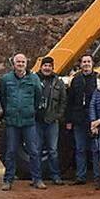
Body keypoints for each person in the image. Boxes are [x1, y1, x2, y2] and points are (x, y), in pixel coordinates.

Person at [0, 53, 44, 191]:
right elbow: (2, 97)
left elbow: (38, 96)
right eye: (18, 62)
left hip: (28, 121)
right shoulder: (6, 79)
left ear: (26, 63)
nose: (20, 64)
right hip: (12, 121)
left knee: (34, 151)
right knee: (11, 151)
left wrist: (30, 110)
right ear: (13, 63)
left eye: (22, 62)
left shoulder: (34, 78)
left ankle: (37, 179)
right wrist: (10, 111)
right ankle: (8, 180)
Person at [35, 56, 67, 185]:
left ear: (52, 68)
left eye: (49, 66)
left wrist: (58, 116)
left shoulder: (58, 82)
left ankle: (55, 176)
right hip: (37, 120)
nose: (47, 68)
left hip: (52, 121)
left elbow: (63, 101)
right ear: (41, 67)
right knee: (36, 150)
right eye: (45, 65)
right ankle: (36, 178)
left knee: (53, 150)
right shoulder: (34, 80)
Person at [67, 55, 98, 185]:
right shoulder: (76, 80)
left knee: (96, 149)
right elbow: (70, 101)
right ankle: (81, 176)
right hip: (79, 119)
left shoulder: (98, 78)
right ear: (81, 64)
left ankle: (98, 177)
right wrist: (69, 120)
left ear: (92, 63)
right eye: (84, 62)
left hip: (94, 120)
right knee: (80, 149)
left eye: (88, 62)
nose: (86, 64)